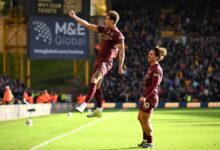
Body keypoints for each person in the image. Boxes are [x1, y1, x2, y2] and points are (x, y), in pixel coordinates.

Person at [68, 10, 125, 117]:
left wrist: (120, 66)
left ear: (112, 21)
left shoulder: (118, 34)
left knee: (94, 79)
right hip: (99, 60)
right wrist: (75, 17)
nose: (105, 20)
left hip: (106, 61)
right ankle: (99, 110)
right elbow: (88, 25)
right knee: (97, 86)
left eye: (107, 18)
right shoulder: (104, 29)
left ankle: (84, 105)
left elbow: (122, 51)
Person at [137, 46, 167, 148]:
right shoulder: (151, 67)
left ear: (157, 57)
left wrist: (144, 96)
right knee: (140, 118)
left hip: (150, 98)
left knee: (145, 119)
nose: (149, 55)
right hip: (147, 96)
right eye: (149, 54)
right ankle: (145, 140)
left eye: (151, 54)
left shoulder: (157, 69)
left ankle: (150, 142)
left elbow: (154, 86)